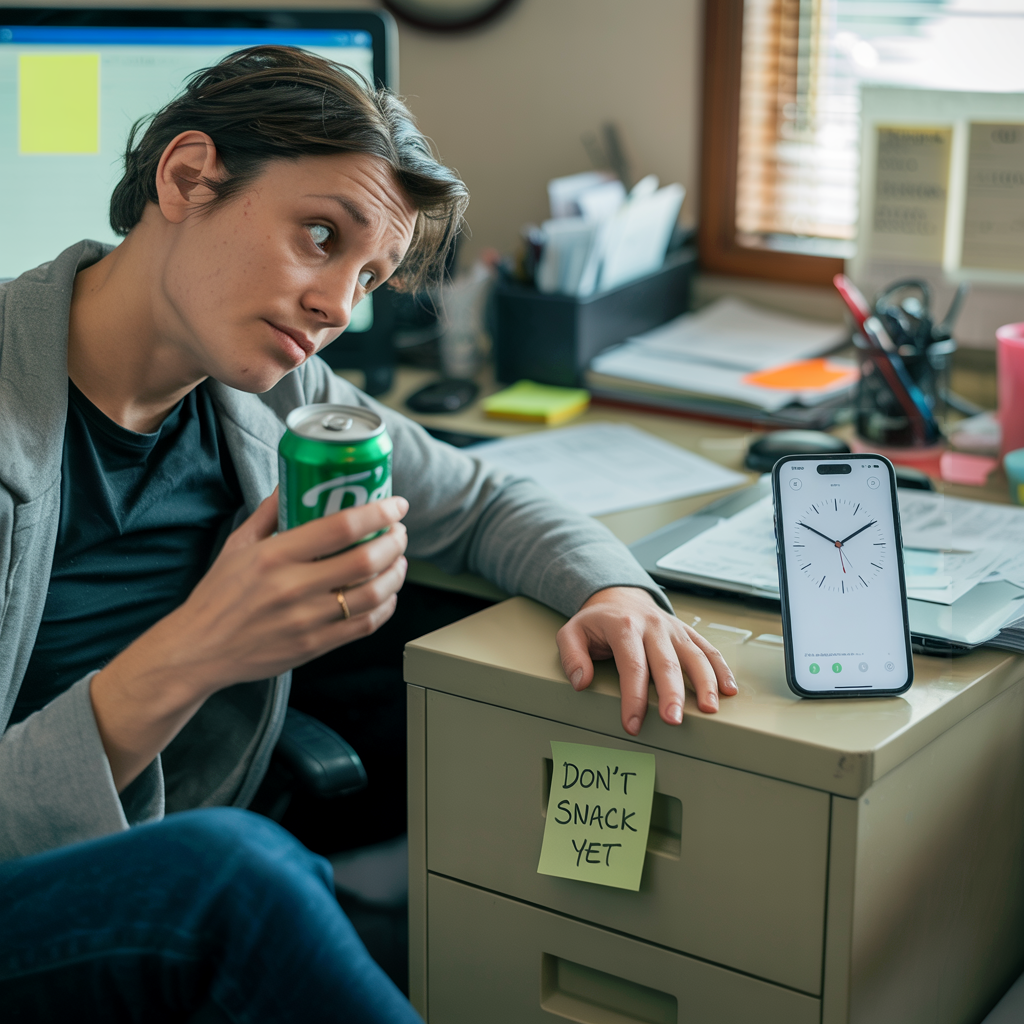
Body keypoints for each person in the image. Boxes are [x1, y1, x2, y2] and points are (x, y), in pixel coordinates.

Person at [0, 46, 736, 1020]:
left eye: (370, 275)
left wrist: (616, 592)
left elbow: (481, 499)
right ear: (186, 178)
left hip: (165, 845)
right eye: (318, 235)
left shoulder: (276, 386)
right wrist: (199, 650)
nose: (338, 307)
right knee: (235, 875)